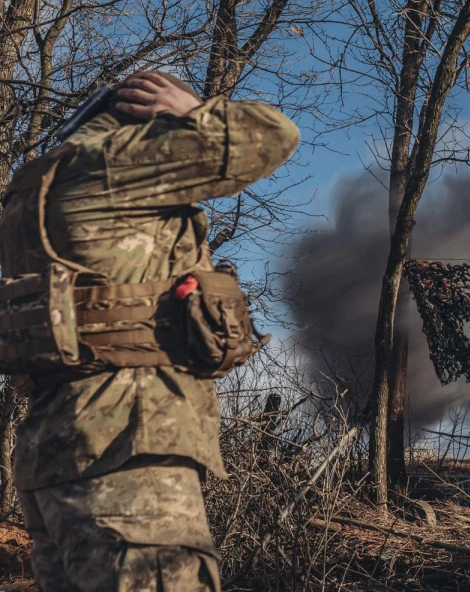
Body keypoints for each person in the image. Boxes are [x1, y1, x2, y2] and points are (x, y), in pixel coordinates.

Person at [0, 71, 299, 592]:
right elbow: (271, 135)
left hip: (52, 460)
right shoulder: (113, 162)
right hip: (127, 450)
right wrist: (189, 110)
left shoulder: (30, 193)